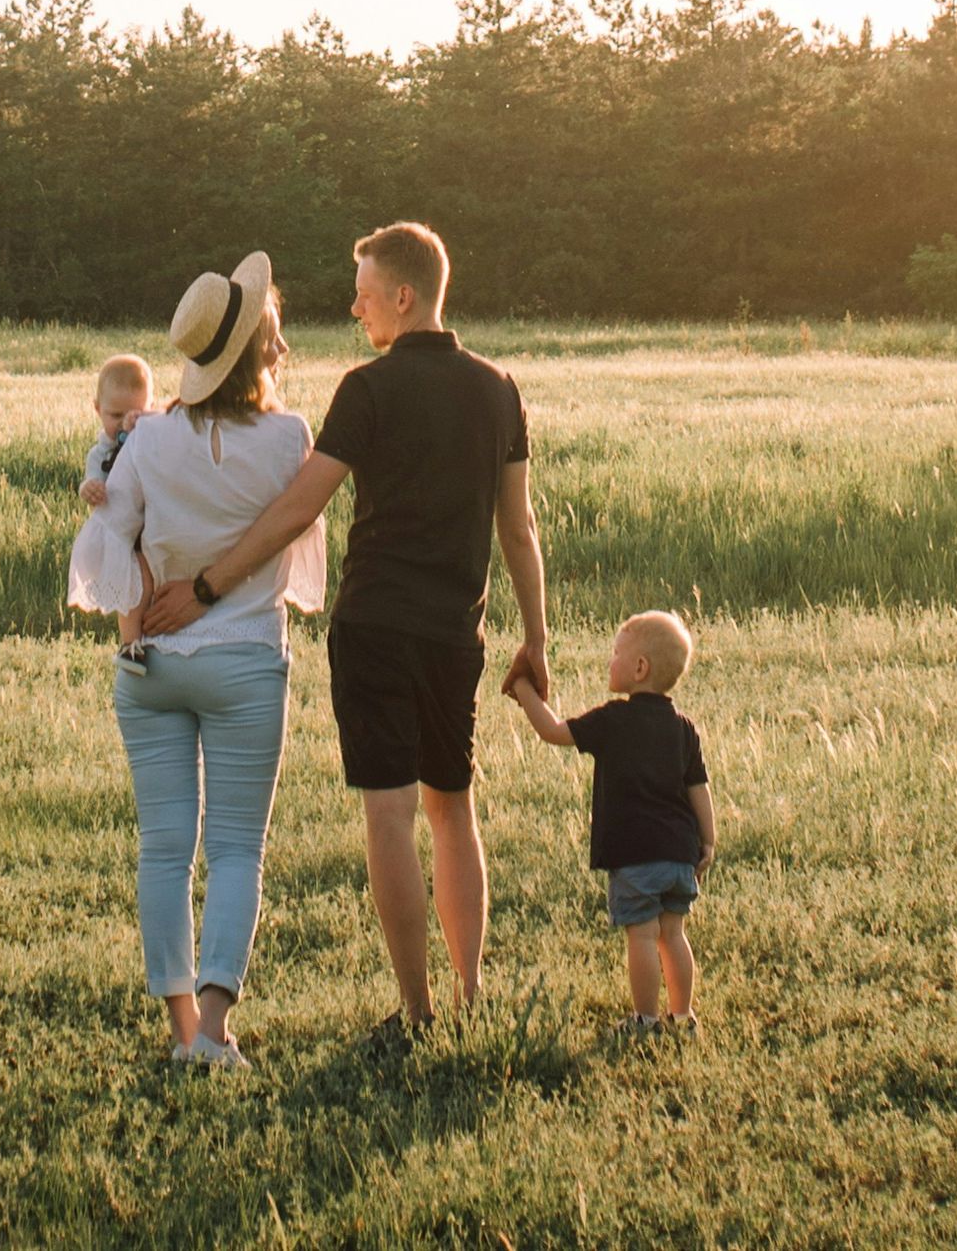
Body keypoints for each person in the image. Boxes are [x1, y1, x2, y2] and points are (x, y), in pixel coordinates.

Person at [128, 219, 543, 1039]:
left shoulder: (368, 388)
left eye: (363, 295)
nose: (356, 311)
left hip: (376, 627)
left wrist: (209, 584)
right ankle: (471, 996)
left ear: (402, 294)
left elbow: (296, 508)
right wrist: (535, 634)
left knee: (389, 812)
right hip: (459, 632)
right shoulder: (500, 389)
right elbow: (519, 528)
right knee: (453, 809)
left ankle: (416, 1012)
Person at [67, 255, 326, 1066]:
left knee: (164, 847)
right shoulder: (290, 439)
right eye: (274, 340)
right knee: (238, 847)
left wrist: (136, 612)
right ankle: (213, 1032)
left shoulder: (146, 438)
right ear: (253, 353)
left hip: (152, 667)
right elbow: (294, 535)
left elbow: (114, 537)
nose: (282, 352)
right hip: (246, 661)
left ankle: (182, 1031)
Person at [505, 610, 713, 1030]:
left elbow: (554, 731)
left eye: (616, 653)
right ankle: (683, 1014)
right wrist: (707, 842)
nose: (609, 660)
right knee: (673, 934)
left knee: (640, 935)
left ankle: (646, 1018)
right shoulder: (684, 728)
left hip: (636, 856)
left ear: (640, 668)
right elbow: (699, 789)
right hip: (678, 855)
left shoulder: (613, 720)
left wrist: (523, 689)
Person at [80, 353, 154, 516]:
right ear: (98, 410)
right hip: (116, 527)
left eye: (136, 414)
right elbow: (94, 479)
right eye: (116, 415)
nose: (125, 422)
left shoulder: (154, 446)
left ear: (151, 409)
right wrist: (89, 488)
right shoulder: (100, 455)